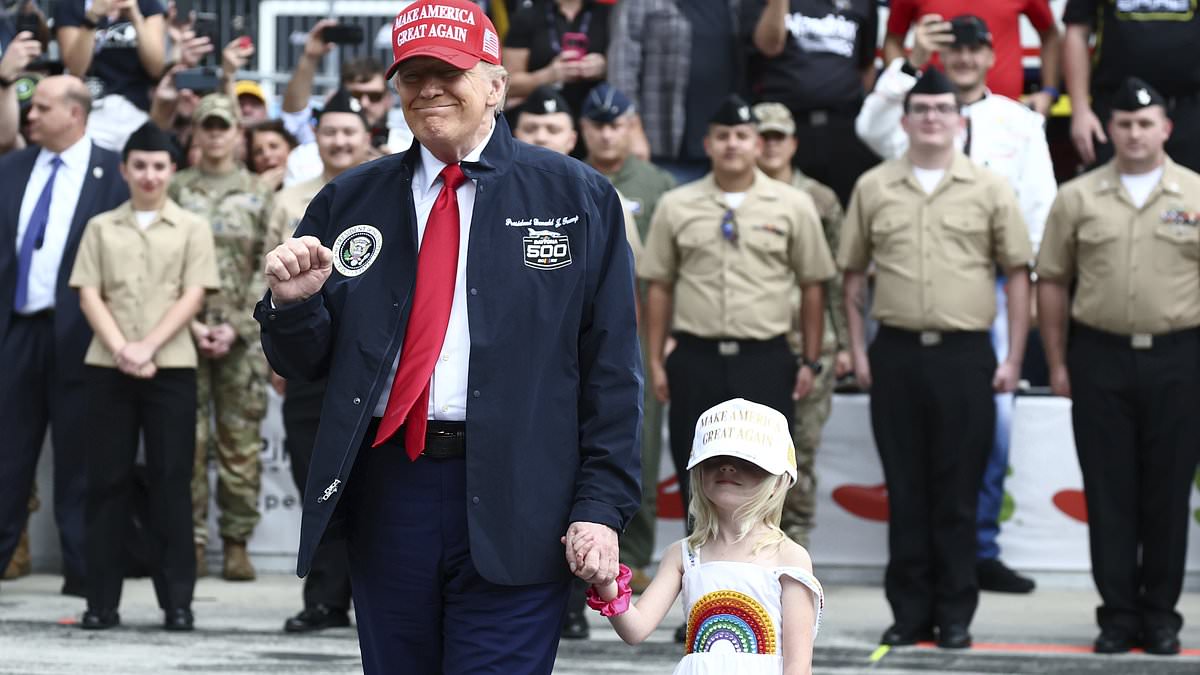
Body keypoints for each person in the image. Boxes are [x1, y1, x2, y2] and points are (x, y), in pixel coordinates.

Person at [256, 0, 642, 671]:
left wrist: (601, 506)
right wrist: (291, 306)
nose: (429, 86)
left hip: (524, 492)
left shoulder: (577, 198)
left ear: (496, 85)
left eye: (449, 70)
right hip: (390, 491)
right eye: (413, 74)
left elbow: (609, 368)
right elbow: (305, 363)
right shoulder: (349, 202)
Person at [856, 14, 1054, 595]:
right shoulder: (916, 110)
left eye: (974, 48)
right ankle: (926, 563)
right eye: (954, 49)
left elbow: (1040, 208)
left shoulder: (1021, 121)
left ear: (994, 54)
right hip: (915, 289)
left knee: (993, 427)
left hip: (991, 289)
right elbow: (869, 124)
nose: (964, 58)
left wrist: (1032, 290)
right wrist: (913, 61)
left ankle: (979, 548)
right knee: (917, 436)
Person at [838, 69, 1033, 649]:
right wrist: (857, 349)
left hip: (966, 355)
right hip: (895, 352)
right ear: (904, 119)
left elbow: (1018, 276)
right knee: (907, 488)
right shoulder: (874, 187)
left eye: (942, 109)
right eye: (920, 108)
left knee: (957, 492)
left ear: (959, 119)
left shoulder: (990, 188)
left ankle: (955, 615)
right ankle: (908, 612)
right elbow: (851, 276)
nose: (931, 117)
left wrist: (1014, 357)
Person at [1035, 77, 1200, 657]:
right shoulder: (1077, 197)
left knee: (1167, 493)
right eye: (1124, 123)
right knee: (1108, 494)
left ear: (1166, 129)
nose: (1134, 133)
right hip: (1099, 357)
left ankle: (1160, 616)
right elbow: (1052, 282)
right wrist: (1056, 360)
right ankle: (1117, 615)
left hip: (1180, 358)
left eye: (1145, 122)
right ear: (1110, 127)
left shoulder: (1196, 194)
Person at [641, 94, 836, 524]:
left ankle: (762, 582)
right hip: (696, 358)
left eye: (742, 136)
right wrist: (655, 361)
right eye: (723, 136)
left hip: (765, 358)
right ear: (708, 144)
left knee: (766, 473)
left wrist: (810, 359)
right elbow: (659, 286)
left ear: (756, 144)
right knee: (697, 472)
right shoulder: (677, 204)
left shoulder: (792, 204)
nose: (733, 144)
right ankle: (700, 581)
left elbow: (813, 284)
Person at [69, 121, 219, 631]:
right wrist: (123, 350)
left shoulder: (193, 227)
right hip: (107, 367)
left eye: (159, 166)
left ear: (172, 170)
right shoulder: (100, 227)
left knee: (171, 484)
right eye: (140, 166)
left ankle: (177, 603)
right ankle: (100, 602)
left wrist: (148, 346)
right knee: (105, 483)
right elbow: (88, 292)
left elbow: (194, 293)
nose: (150, 175)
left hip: (171, 366)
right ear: (124, 170)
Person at [0, 74, 129, 597]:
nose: (30, 115)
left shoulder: (111, 175)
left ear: (75, 113)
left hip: (81, 333)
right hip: (17, 332)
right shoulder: (11, 168)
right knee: (7, 453)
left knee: (82, 458)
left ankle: (82, 573)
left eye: (42, 107)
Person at [586, 398, 824, 674]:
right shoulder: (682, 554)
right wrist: (606, 581)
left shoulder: (790, 556)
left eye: (746, 461)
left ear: (778, 480)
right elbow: (636, 629)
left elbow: (799, 665)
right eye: (714, 459)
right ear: (697, 472)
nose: (727, 467)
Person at [262, 88, 372, 634]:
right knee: (318, 483)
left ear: (366, 135)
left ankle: (379, 595)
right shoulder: (292, 198)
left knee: (378, 487)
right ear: (316, 137)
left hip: (373, 365)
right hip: (311, 360)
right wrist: (275, 357)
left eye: (349, 131)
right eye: (329, 131)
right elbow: (268, 281)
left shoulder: (389, 190)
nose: (339, 140)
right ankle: (326, 598)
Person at [169, 93, 272, 582]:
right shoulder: (175, 189)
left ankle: (236, 543)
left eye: (223, 126)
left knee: (239, 442)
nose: (214, 133)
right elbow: (163, 263)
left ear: (238, 133)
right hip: (178, 332)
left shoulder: (258, 191)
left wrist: (236, 323)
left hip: (240, 335)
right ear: (196, 132)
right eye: (206, 126)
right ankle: (189, 542)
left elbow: (269, 264)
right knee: (186, 443)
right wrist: (189, 321)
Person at [579, 80, 675, 593]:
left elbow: (671, 270)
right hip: (575, 327)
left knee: (636, 441)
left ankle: (633, 554)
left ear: (632, 126)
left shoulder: (656, 184)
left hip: (638, 328)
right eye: (597, 124)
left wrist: (667, 338)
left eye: (617, 124)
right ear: (584, 129)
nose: (607, 134)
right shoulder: (565, 174)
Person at [751, 102, 850, 549]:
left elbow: (835, 279)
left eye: (778, 136)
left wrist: (845, 342)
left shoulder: (821, 199)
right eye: (763, 135)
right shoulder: (728, 196)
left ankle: (795, 549)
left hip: (811, 343)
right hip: (755, 338)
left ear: (793, 142)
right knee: (747, 453)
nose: (770, 145)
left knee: (800, 452)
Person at [741, 0, 880, 206]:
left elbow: (866, 67)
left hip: (844, 127)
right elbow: (769, 45)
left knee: (847, 209)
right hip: (784, 128)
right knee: (782, 208)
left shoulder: (863, 4)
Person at [609, 0, 745, 184]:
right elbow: (622, 67)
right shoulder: (640, 3)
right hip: (662, 145)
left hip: (724, 147)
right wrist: (632, 129)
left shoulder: (733, 4)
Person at [1063, 0, 1200, 172]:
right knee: (1108, 193)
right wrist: (1080, 111)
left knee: (1192, 192)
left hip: (1188, 106)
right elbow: (1077, 32)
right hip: (1116, 110)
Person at [883, 0, 1061, 114]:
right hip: (933, 115)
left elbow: (1050, 35)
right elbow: (893, 40)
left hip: (1005, 117)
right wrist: (904, 92)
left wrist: (1049, 91)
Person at [54, 0, 167, 151]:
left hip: (136, 108)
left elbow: (156, 69)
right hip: (90, 110)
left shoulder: (146, 4)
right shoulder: (71, 4)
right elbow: (76, 69)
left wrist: (136, 19)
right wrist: (92, 17)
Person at [503, 0, 611, 118]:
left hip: (597, 115)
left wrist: (605, 67)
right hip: (542, 114)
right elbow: (508, 84)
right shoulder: (528, 15)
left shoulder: (608, 14)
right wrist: (548, 75)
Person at [247, 119, 298, 192]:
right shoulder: (247, 190)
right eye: (258, 151)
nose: (266, 155)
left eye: (273, 146)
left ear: (290, 147)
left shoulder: (310, 175)